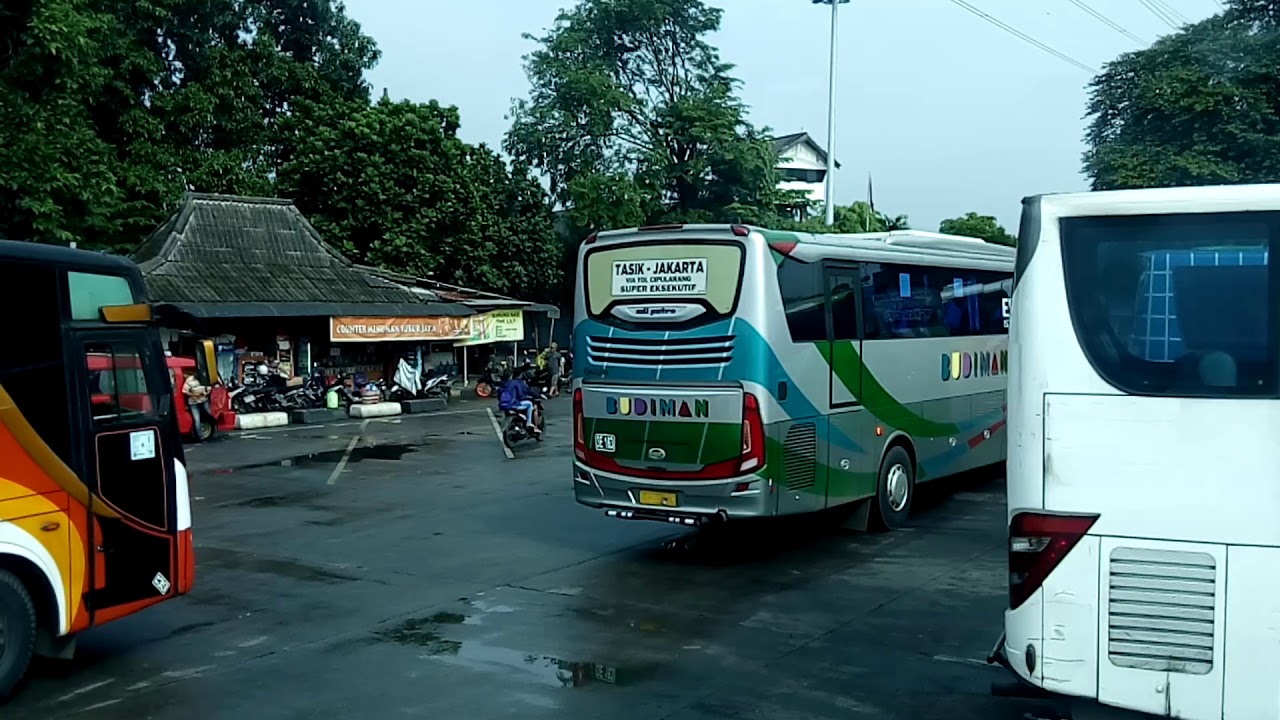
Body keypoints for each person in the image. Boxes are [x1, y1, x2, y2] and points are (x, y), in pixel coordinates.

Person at [497, 369, 541, 436]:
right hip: (513, 404)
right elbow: (521, 395)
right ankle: (529, 422)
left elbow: (499, 395)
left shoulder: (502, 384)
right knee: (530, 404)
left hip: (502, 405)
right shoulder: (515, 383)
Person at [182, 370, 211, 441]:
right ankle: (200, 436)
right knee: (197, 419)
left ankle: (208, 429)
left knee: (209, 415)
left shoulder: (204, 379)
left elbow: (209, 388)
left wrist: (206, 393)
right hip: (194, 402)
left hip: (203, 400)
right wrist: (194, 395)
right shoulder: (189, 381)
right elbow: (185, 391)